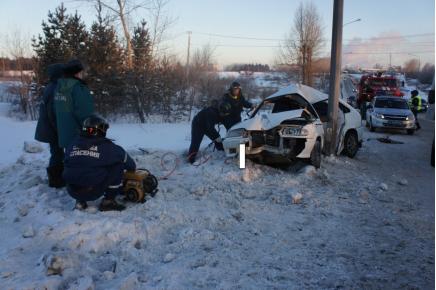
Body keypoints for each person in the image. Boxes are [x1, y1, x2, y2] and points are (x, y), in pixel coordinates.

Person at [63, 115, 136, 211]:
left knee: (77, 166)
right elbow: (130, 164)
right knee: (118, 165)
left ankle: (80, 202)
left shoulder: (72, 144)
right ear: (100, 131)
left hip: (71, 191)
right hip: (92, 191)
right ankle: (108, 202)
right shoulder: (109, 147)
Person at [34, 63, 66, 188]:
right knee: (57, 153)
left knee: (56, 152)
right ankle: (56, 180)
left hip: (49, 128)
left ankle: (58, 176)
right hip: (53, 129)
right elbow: (54, 113)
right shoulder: (56, 88)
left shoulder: (51, 86)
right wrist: (60, 130)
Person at [54, 58, 94, 149]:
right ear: (77, 73)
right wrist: (92, 132)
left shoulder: (59, 87)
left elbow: (56, 110)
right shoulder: (78, 88)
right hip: (79, 135)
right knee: (81, 161)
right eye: (82, 72)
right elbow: (85, 112)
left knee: (70, 159)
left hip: (64, 134)